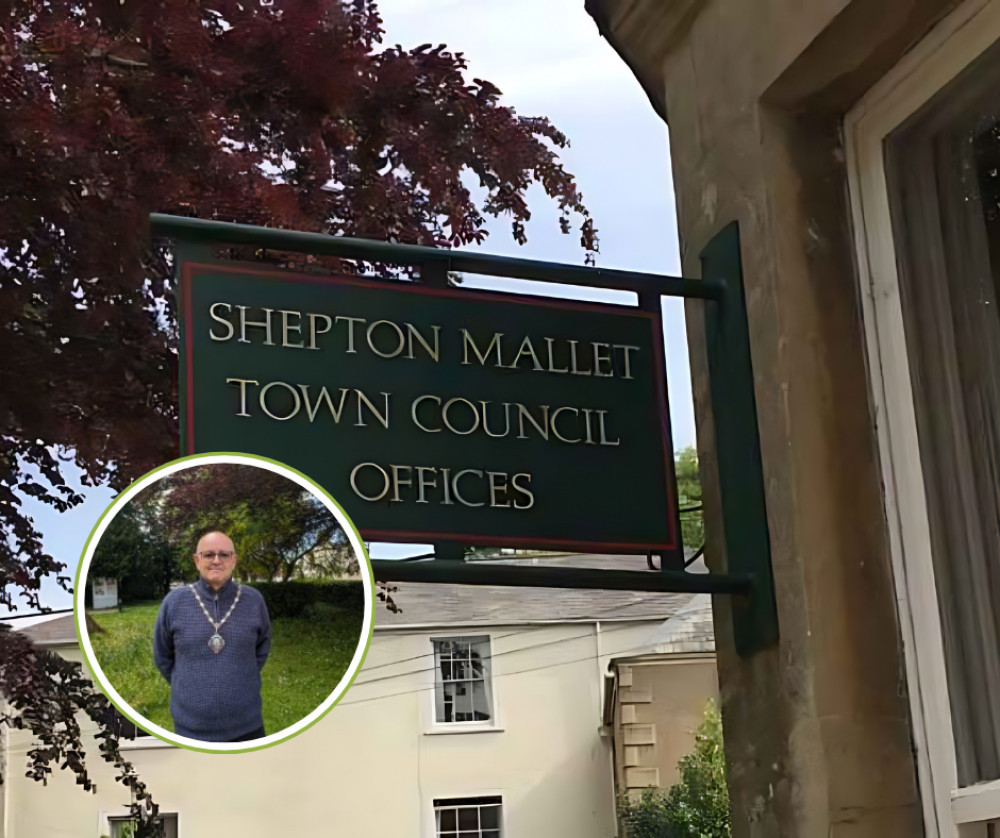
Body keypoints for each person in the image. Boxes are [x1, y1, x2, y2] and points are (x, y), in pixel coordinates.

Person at [153, 531, 272, 742]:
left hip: (248, 726)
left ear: (234, 560)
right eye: (208, 555)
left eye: (224, 555)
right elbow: (162, 655)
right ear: (196, 560)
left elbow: (261, 650)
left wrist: (240, 677)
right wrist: (187, 684)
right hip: (190, 730)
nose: (216, 560)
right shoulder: (174, 602)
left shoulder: (254, 600)